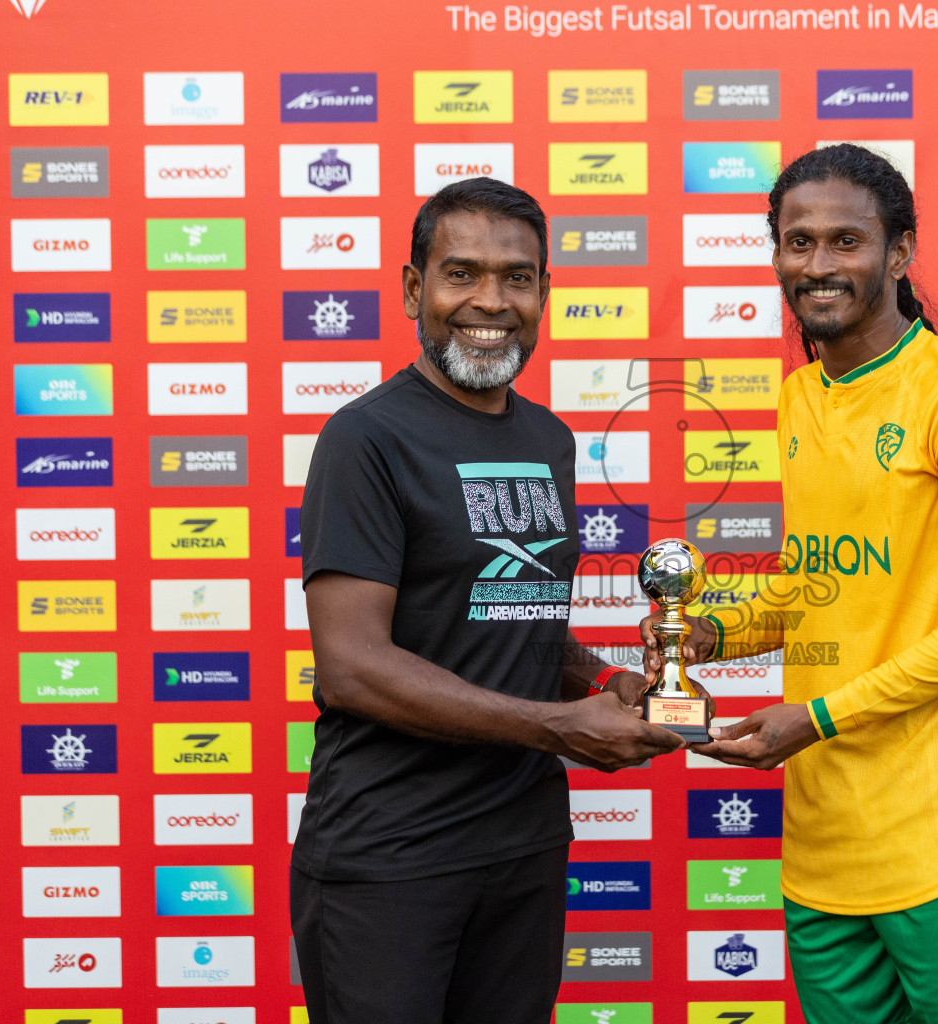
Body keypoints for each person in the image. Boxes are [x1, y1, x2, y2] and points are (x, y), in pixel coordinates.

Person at [642, 145, 938, 1024]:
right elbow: (818, 585)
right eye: (798, 242)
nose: (818, 265)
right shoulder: (801, 398)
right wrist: (707, 635)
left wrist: (816, 718)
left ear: (898, 252)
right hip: (823, 849)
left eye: (846, 241)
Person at [291, 177, 685, 1024]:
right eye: (460, 273)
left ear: (545, 293)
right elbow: (352, 666)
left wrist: (598, 683)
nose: (490, 301)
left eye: (517, 277)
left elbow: (515, 617)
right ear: (412, 290)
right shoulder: (366, 438)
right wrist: (555, 728)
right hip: (391, 854)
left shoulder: (549, 438)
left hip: (523, 848)